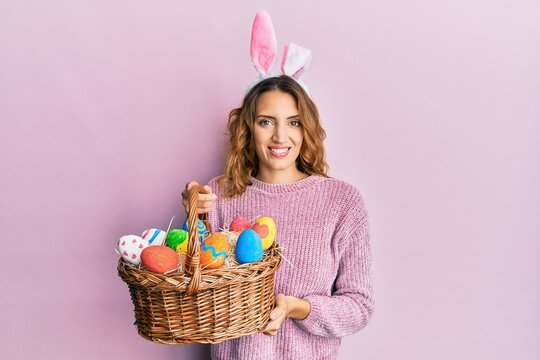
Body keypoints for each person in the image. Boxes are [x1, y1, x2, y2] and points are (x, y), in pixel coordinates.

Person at [181, 75, 374, 360]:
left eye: (293, 122)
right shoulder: (220, 195)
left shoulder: (342, 203)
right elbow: (194, 293)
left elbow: (359, 307)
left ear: (306, 129)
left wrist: (298, 308)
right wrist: (194, 220)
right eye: (266, 122)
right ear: (249, 128)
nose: (280, 137)